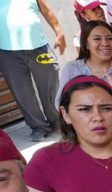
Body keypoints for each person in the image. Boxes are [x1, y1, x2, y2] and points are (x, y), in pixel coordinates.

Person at [0, 0, 66, 142]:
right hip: (8, 53)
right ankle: (39, 127)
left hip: (39, 47)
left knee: (51, 85)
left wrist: (59, 32)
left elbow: (47, 11)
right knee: (22, 93)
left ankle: (58, 120)